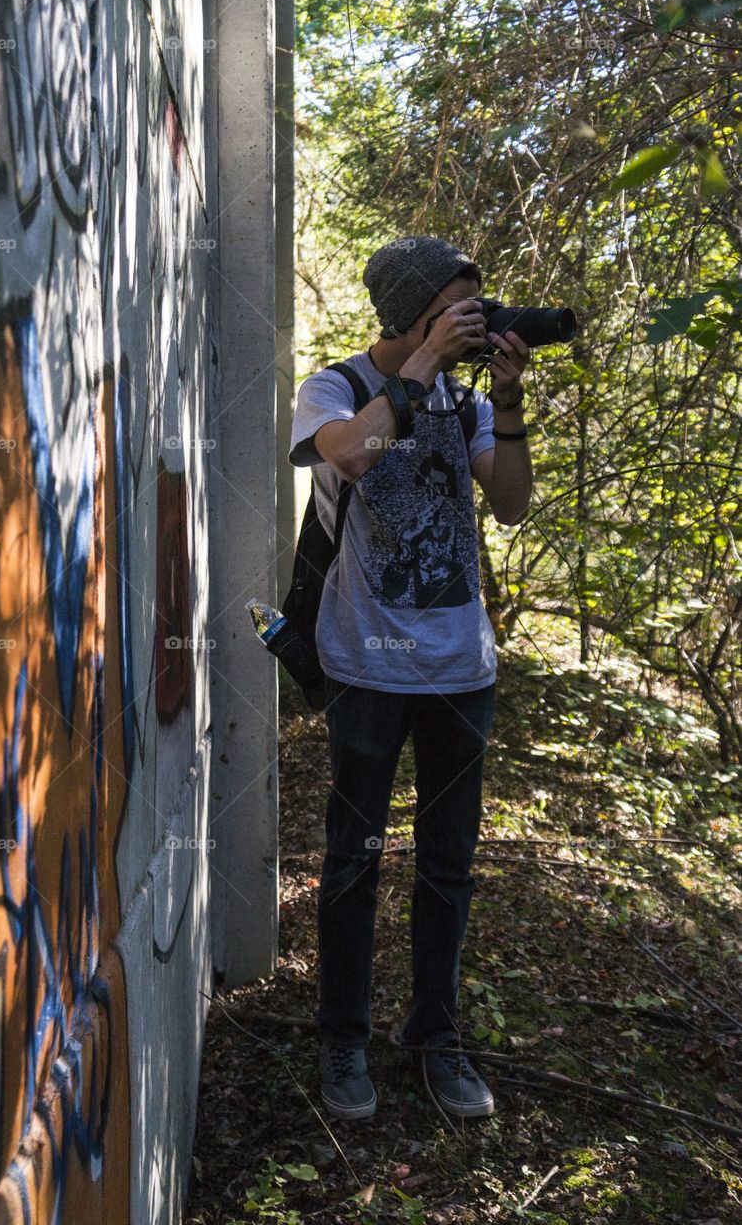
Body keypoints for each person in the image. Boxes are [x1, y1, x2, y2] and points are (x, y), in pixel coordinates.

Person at [288, 236, 532, 1120]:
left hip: (460, 671)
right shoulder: (334, 387)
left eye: (476, 306)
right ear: (411, 310)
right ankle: (343, 1041)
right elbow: (350, 456)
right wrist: (422, 364)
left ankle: (435, 1036)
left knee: (447, 867)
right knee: (353, 863)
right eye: (456, 306)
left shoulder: (466, 404)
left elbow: (510, 504)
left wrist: (507, 401)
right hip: (366, 667)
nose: (472, 320)